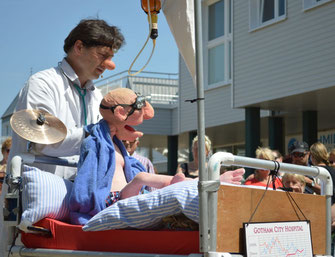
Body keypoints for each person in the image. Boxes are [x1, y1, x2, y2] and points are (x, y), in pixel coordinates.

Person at [69, 88, 245, 225]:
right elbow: (87, 182)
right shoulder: (94, 143)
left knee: (160, 189)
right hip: (110, 202)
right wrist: (87, 207)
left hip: (127, 197)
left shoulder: (117, 145)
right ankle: (202, 182)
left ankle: (201, 182)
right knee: (141, 177)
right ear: (120, 113)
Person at [8, 19, 125, 180]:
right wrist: (101, 131)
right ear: (79, 47)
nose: (109, 64)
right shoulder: (42, 84)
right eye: (103, 55)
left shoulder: (97, 95)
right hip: (42, 195)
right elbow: (44, 142)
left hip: (80, 196)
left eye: (111, 57)